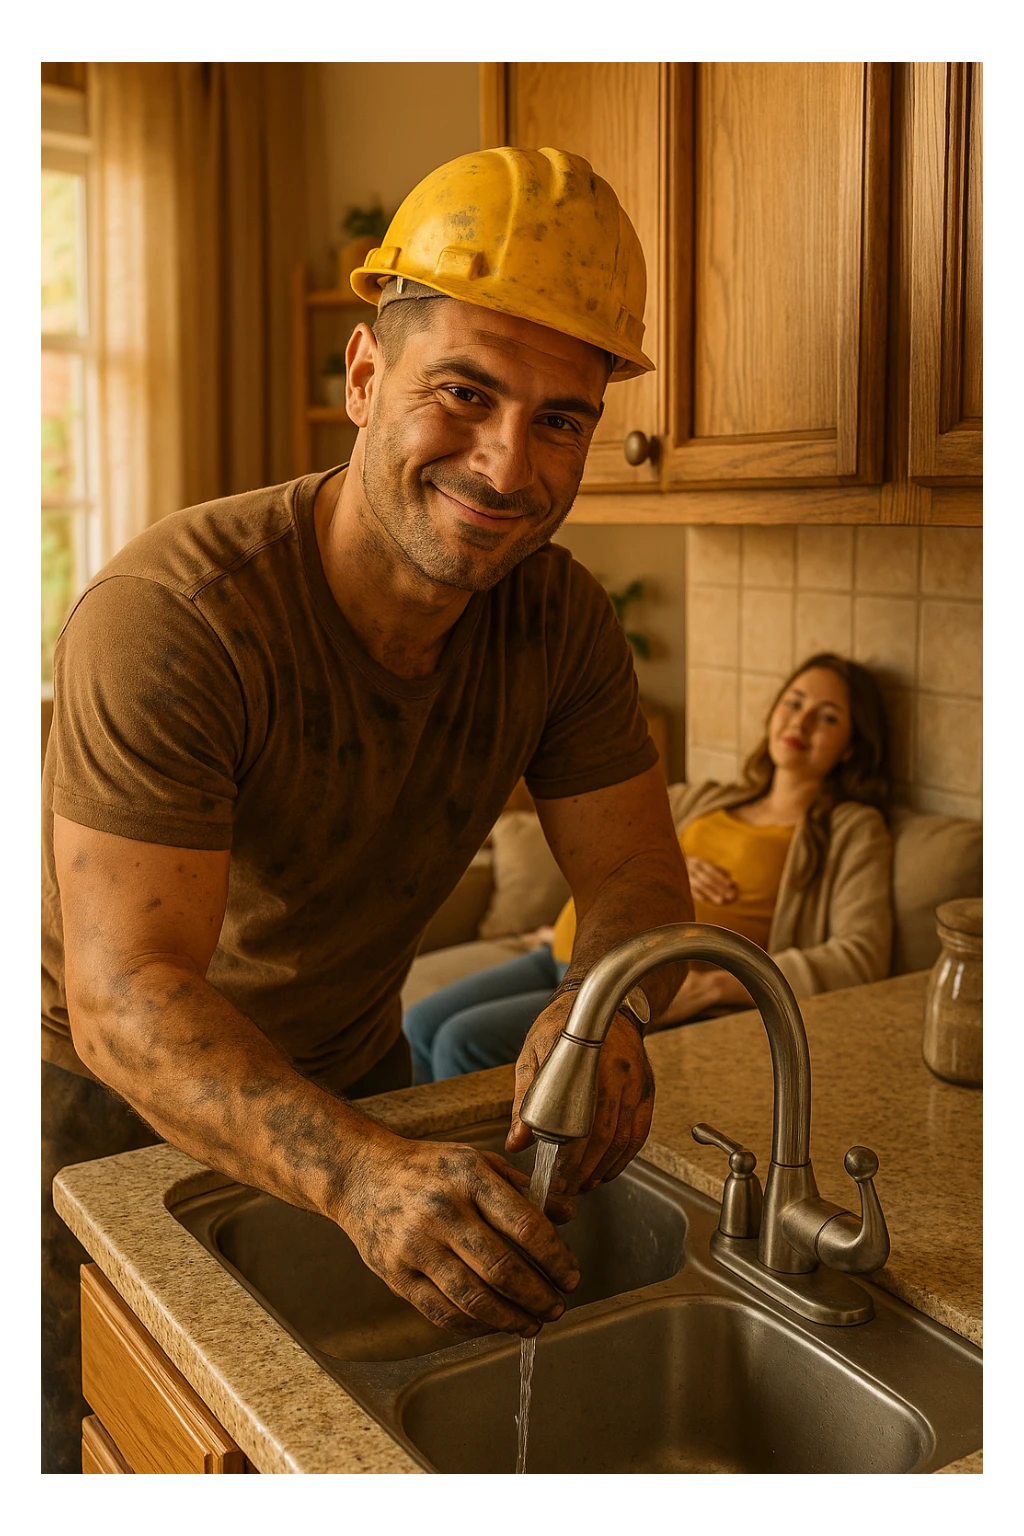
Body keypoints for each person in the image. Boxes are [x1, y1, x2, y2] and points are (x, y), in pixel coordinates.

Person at [41, 146, 694, 1471]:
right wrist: (355, 1176)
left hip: (360, 1086)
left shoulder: (557, 622)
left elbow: (639, 888)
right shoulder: (175, 615)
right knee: (100, 1448)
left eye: (560, 417)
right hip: (91, 1113)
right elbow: (128, 996)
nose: (510, 465)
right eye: (465, 392)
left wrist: (599, 1004)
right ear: (361, 378)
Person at [404, 653, 894, 1083]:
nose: (801, 722)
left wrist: (716, 985)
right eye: (794, 702)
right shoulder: (707, 797)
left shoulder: (852, 829)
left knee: (461, 1042)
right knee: (421, 1024)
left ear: (851, 746)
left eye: (826, 717)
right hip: (571, 949)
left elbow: (860, 955)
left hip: (644, 982)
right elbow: (616, 849)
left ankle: (495, 1181)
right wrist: (671, 866)